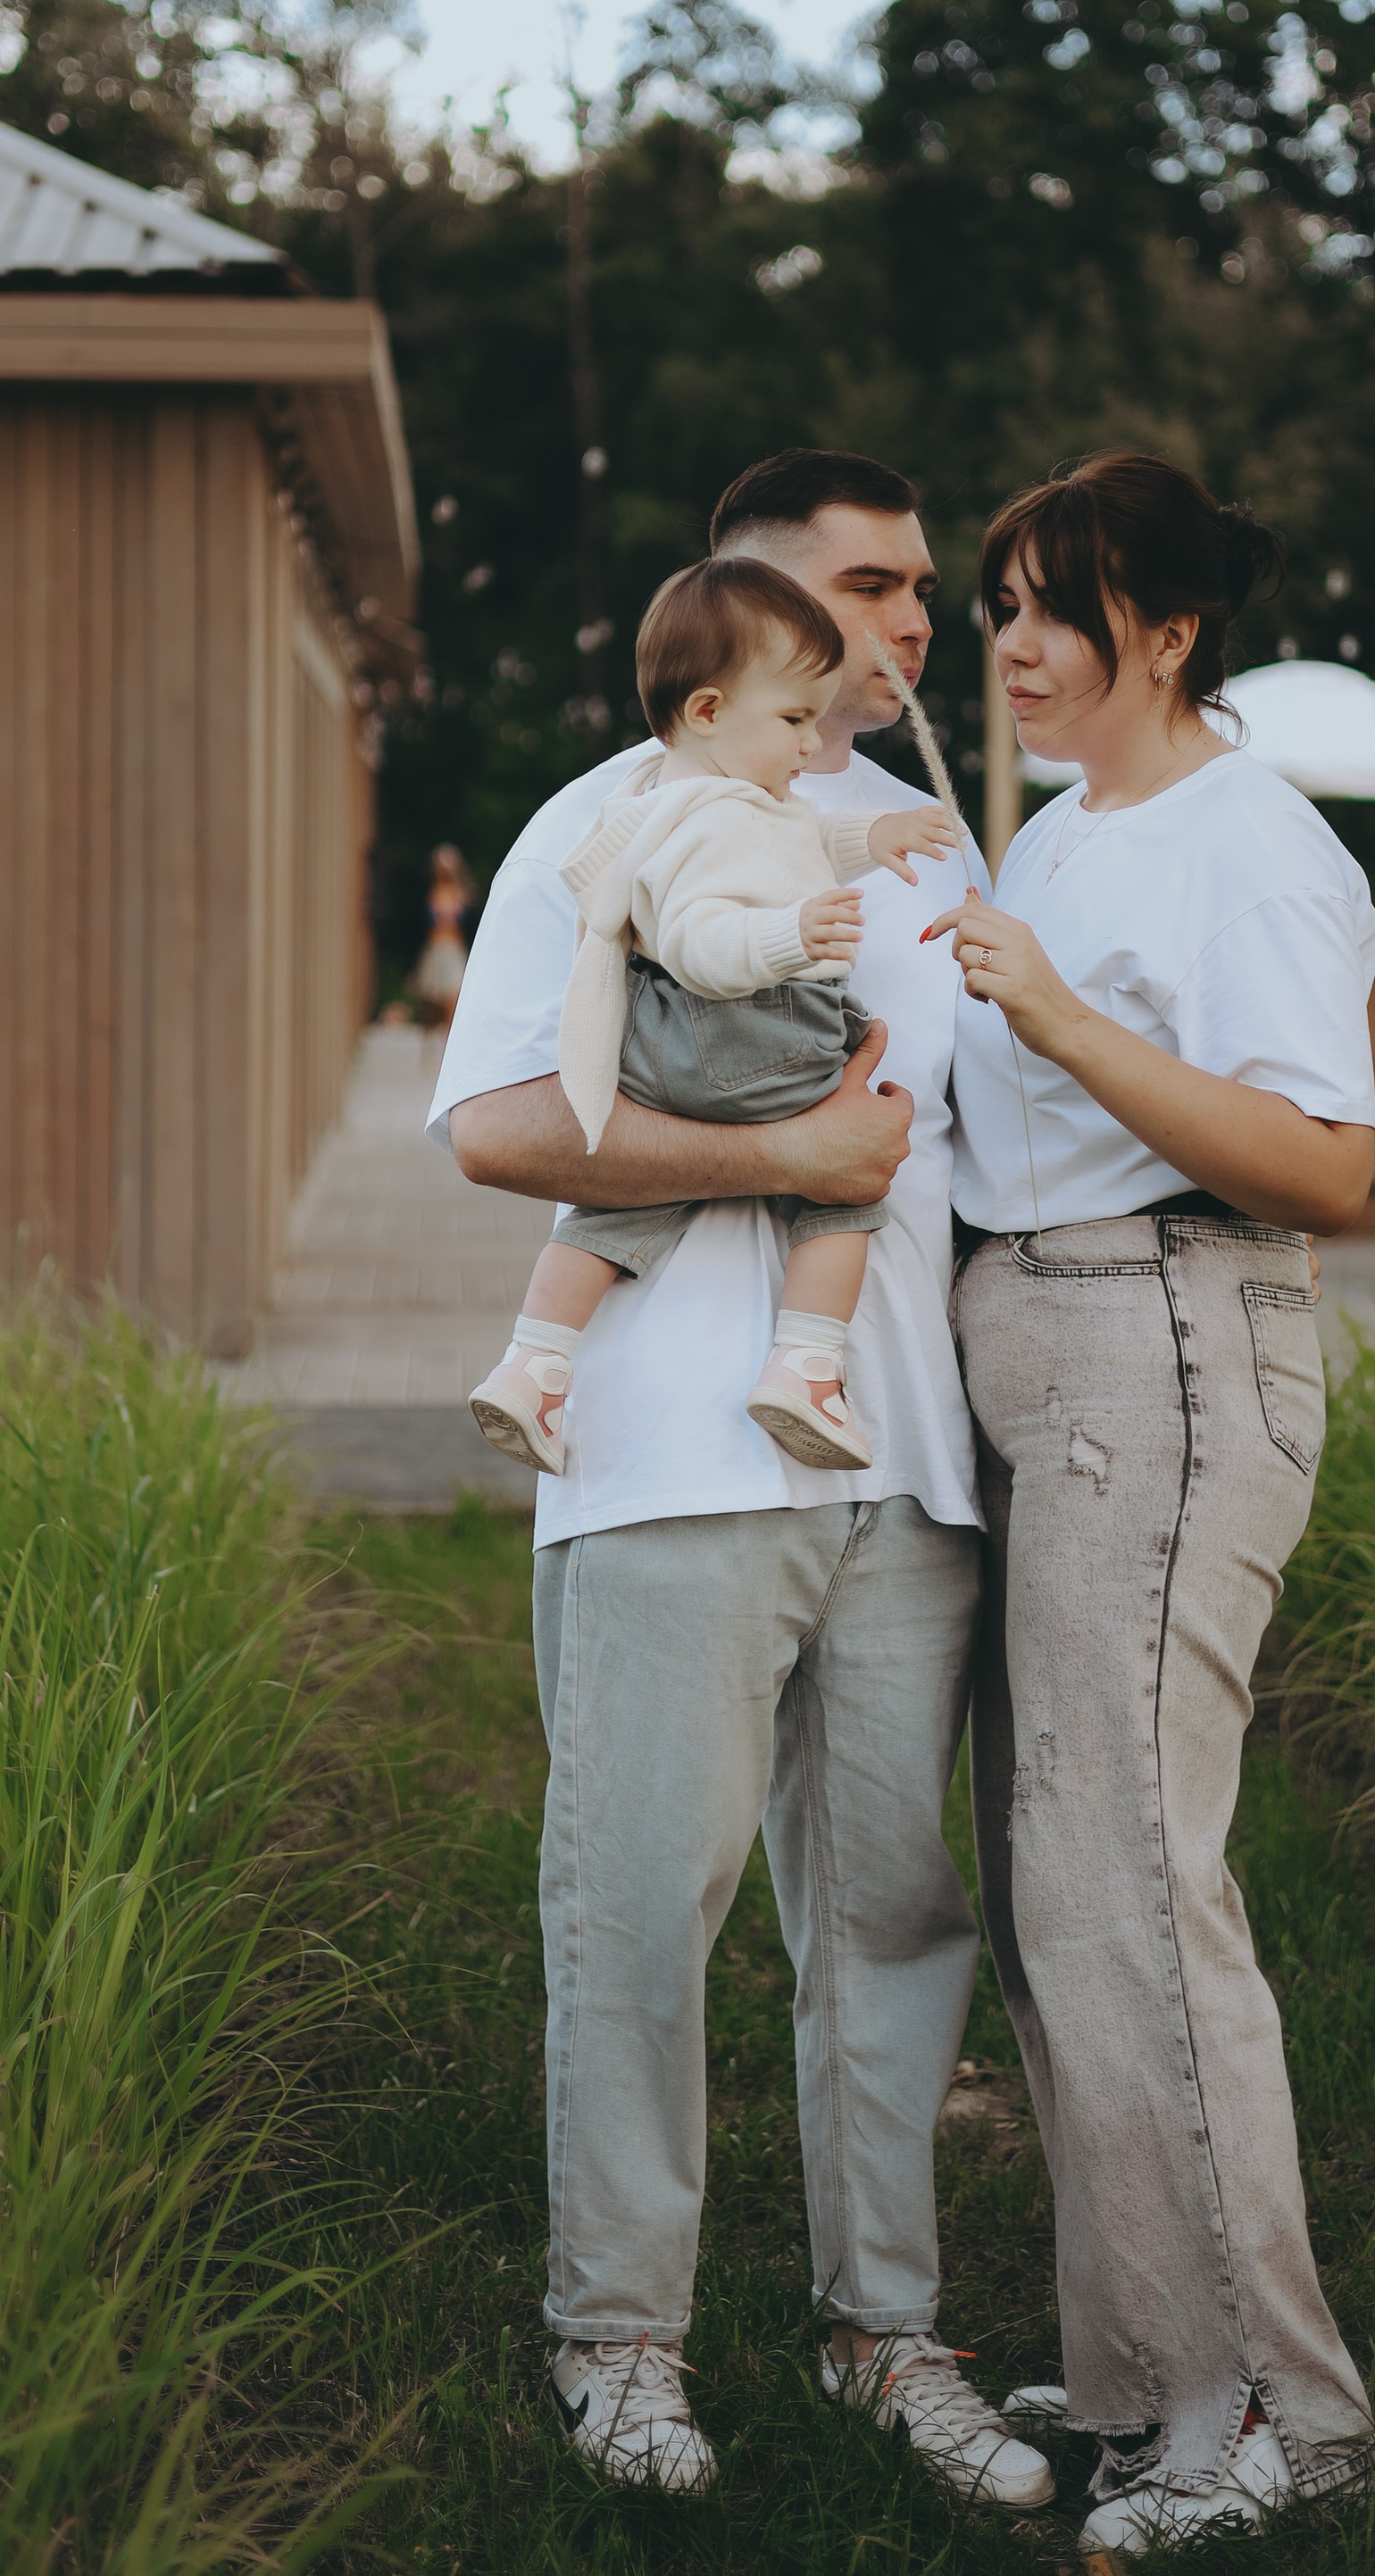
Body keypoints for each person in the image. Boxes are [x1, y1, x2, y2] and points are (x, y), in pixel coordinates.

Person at [429, 449, 1053, 2514]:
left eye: (915, 589)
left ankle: (888, 2330)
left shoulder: (936, 844)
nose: (912, 621)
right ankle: (619, 2341)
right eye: (868, 585)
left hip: (901, 1469)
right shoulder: (605, 822)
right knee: (641, 1913)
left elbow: (968, 1153)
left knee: (889, 1915)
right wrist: (780, 1166)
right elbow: (506, 1124)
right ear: (744, 603)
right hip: (665, 1465)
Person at [935, 450, 1375, 2560]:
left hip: (1174, 1345)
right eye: (998, 601)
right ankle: (1136, 2359)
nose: (1005, 639)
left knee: (1133, 1874)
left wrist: (1055, 1014)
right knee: (1059, 1883)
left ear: (1168, 629)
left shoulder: (1250, 840)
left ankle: (1278, 2412)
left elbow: (1320, 1161)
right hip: (1042, 1340)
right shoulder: (1075, 822)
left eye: (1050, 603)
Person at [467, 556, 960, 1478]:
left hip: (662, 1059)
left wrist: (873, 837)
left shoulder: (690, 799)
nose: (811, 747)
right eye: (792, 720)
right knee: (848, 1183)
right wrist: (790, 934)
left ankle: (534, 1363)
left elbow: (807, 836)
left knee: (619, 1209)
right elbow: (698, 939)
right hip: (747, 1031)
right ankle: (806, 1365)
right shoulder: (710, 819)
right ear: (704, 712)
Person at [409, 843, 477, 1024]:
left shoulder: (461, 895)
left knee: (453, 1001)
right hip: (435, 949)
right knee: (431, 1005)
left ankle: (448, 1046)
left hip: (453, 949)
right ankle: (430, 1046)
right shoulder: (432, 894)